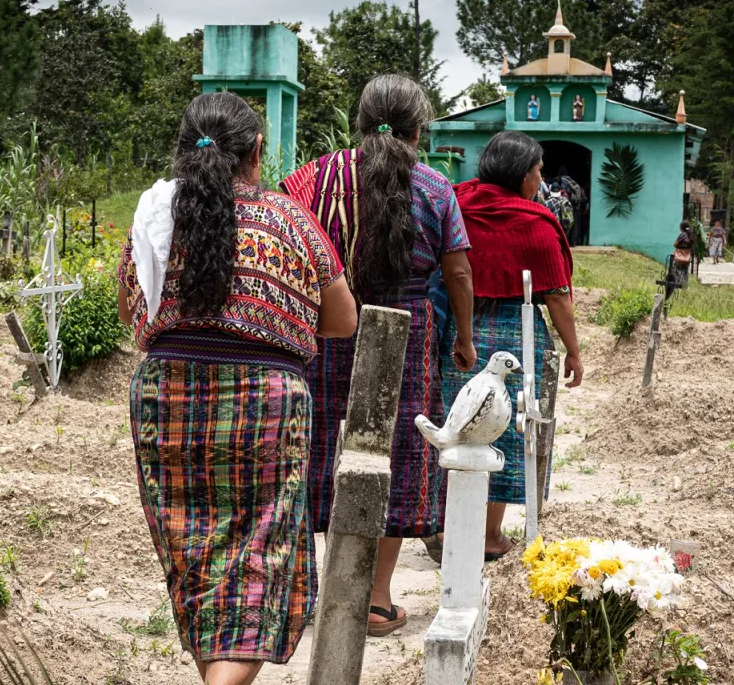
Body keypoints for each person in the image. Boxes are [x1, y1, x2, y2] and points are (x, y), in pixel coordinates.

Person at [117, 92, 358, 685]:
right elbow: (344, 319)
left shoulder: (155, 216)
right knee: (259, 559)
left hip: (165, 401)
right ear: (256, 150)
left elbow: (130, 308)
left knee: (193, 553)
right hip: (266, 408)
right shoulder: (290, 219)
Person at [280, 74, 476, 637]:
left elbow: (289, 249)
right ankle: (375, 599)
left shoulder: (310, 180)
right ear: (419, 128)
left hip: (327, 332)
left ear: (359, 121)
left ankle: (320, 587)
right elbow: (458, 270)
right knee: (394, 454)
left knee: (322, 446)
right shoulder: (437, 189)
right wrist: (462, 340)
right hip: (408, 337)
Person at [437, 131, 584, 562]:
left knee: (458, 420)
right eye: (538, 172)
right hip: (513, 336)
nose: (540, 182)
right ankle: (488, 534)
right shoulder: (535, 224)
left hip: (456, 330)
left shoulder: (457, 203)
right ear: (522, 174)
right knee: (506, 426)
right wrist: (574, 351)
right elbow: (556, 295)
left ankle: (448, 527)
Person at [672, 221, 693, 286]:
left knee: (676, 271)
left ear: (681, 227)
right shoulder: (691, 236)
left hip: (680, 255)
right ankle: (684, 286)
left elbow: (675, 245)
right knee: (685, 272)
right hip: (687, 256)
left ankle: (676, 286)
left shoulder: (682, 235)